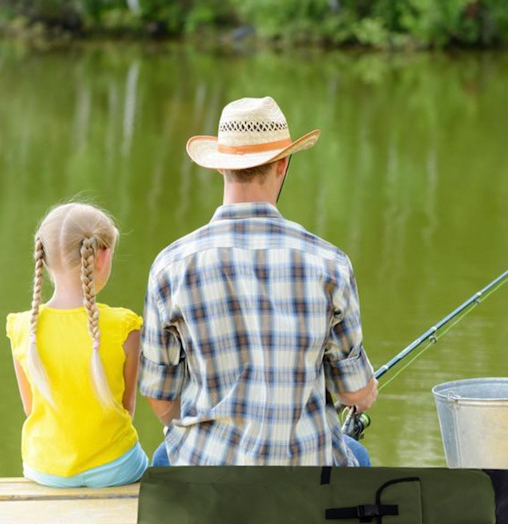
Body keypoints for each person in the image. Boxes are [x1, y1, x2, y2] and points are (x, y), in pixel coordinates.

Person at [140, 96, 377, 467]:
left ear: (221, 167)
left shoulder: (171, 265)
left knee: (164, 457)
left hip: (209, 478)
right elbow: (353, 392)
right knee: (357, 456)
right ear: (282, 164)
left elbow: (159, 396)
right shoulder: (330, 263)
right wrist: (365, 392)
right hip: (306, 481)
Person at [6, 202, 148, 487]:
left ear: (43, 259)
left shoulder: (23, 328)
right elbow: (126, 408)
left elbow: (30, 407)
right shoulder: (125, 327)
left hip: (45, 468)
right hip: (116, 467)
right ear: (102, 257)